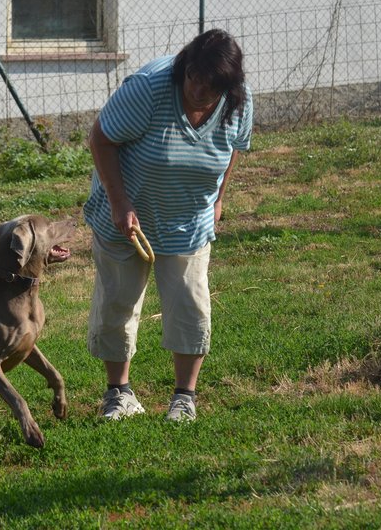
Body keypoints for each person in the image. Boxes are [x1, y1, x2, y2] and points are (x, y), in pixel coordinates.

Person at [83, 29, 253, 422]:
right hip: (128, 215)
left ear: (227, 87)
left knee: (190, 303)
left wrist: (219, 200)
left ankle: (184, 398)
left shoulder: (239, 103)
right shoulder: (149, 88)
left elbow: (232, 151)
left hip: (188, 217)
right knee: (118, 300)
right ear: (184, 68)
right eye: (193, 76)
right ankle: (118, 393)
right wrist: (119, 201)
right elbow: (100, 139)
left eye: (209, 86)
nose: (197, 89)